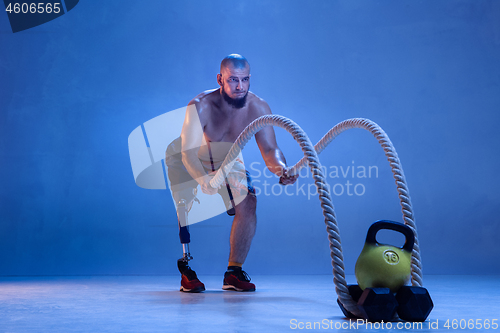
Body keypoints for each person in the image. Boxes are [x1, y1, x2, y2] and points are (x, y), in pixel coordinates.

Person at [166, 54, 297, 293]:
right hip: (189, 155)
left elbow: (270, 149)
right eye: (233, 80)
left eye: (245, 80)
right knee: (184, 206)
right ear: (220, 79)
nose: (240, 86)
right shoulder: (201, 105)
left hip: (228, 158)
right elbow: (188, 153)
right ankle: (186, 268)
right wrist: (203, 179)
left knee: (249, 202)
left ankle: (233, 272)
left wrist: (282, 169)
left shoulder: (258, 107)